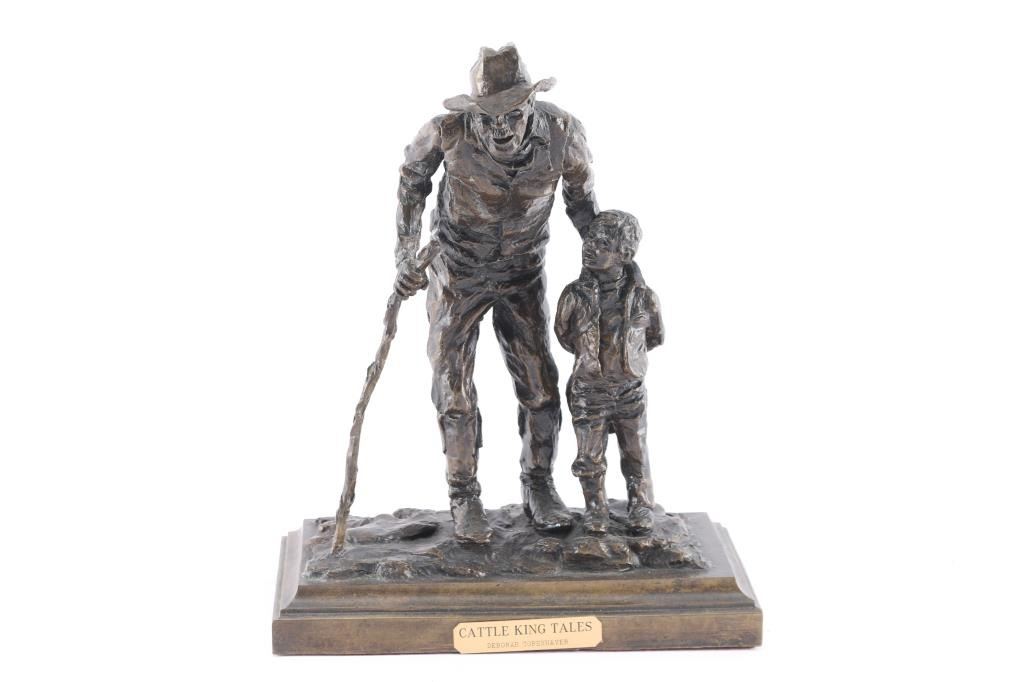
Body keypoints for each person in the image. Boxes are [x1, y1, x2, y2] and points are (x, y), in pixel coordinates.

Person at [393, 45, 599, 543]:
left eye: (511, 114)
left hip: (522, 271)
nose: (500, 127)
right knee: (453, 386)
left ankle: (539, 483)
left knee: (540, 384)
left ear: (532, 104)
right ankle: (463, 494)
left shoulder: (563, 133)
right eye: (488, 117)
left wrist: (605, 268)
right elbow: (411, 180)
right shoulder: (446, 131)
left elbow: (583, 205)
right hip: (456, 270)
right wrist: (405, 253)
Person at [554, 210, 664, 535]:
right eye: (589, 240)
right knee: (588, 456)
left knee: (635, 451)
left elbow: (655, 336)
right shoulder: (573, 295)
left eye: (602, 244)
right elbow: (563, 334)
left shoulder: (644, 297)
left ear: (624, 254)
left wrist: (628, 364)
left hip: (630, 390)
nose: (590, 247)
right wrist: (590, 361)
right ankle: (595, 509)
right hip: (589, 391)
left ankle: (640, 505)